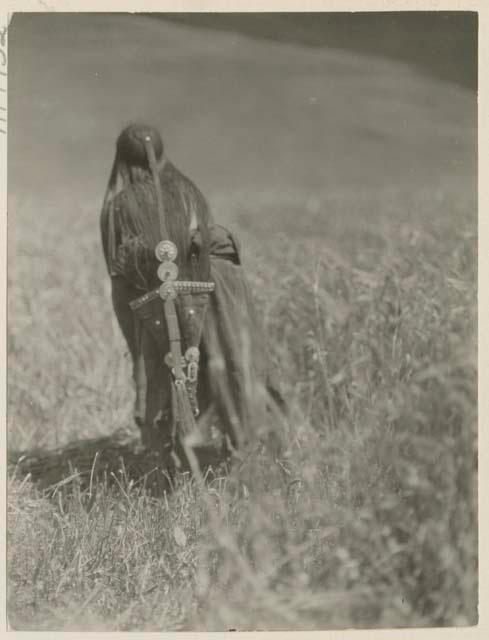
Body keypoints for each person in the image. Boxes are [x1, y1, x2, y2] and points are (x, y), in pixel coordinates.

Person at [100, 123, 284, 463]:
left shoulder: (118, 207)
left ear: (122, 161)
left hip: (163, 300)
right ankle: (244, 453)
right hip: (222, 291)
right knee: (230, 367)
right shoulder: (189, 193)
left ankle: (181, 461)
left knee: (171, 373)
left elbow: (122, 284)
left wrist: (136, 351)